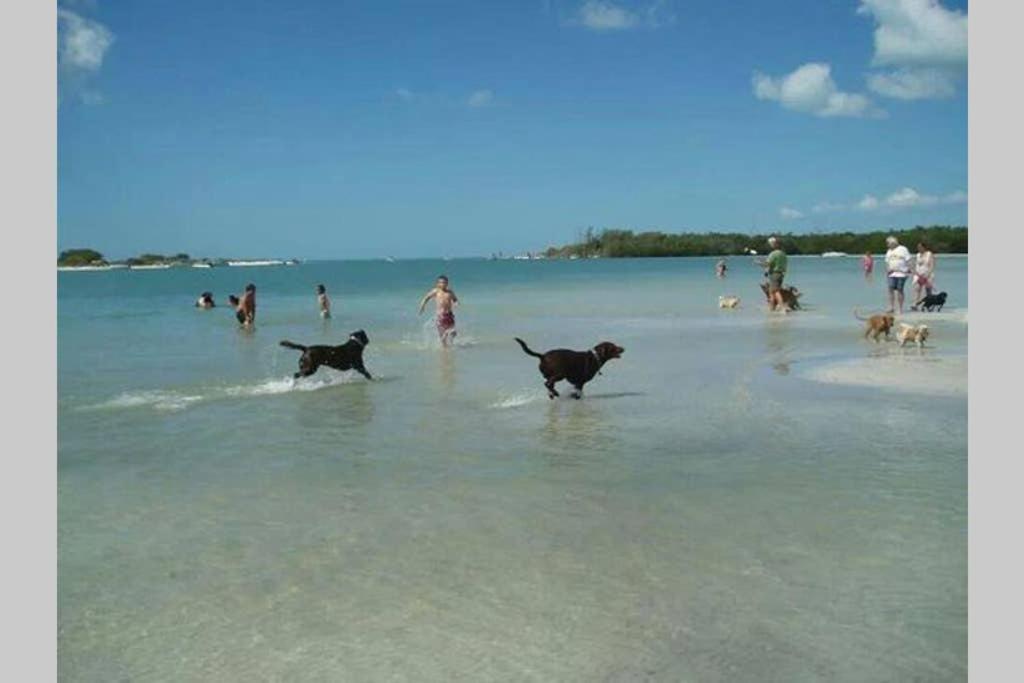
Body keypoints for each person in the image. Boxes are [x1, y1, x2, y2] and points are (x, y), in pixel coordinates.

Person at [418, 274, 459, 346]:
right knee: (442, 335)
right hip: (440, 316)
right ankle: (445, 348)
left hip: (449, 315)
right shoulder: (436, 291)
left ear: (447, 283)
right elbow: (426, 298)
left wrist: (456, 303)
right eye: (441, 282)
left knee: (453, 332)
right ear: (437, 284)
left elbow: (455, 299)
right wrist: (422, 307)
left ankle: (451, 344)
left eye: (444, 282)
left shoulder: (450, 292)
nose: (443, 284)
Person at [884, 236, 912, 314]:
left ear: (893, 243)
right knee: (890, 289)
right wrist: (887, 271)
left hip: (901, 273)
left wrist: (910, 269)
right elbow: (887, 262)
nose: (887, 245)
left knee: (900, 290)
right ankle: (891, 307)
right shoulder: (889, 251)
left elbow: (908, 260)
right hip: (891, 274)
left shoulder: (903, 249)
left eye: (888, 243)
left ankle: (900, 308)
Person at [761, 236, 789, 312]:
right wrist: (767, 271)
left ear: (775, 245)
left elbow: (767, 264)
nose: (771, 245)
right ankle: (771, 309)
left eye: (772, 243)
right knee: (771, 292)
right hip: (781, 274)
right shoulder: (783, 254)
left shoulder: (773, 254)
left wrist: (758, 263)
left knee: (775, 291)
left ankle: (782, 307)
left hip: (774, 275)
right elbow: (783, 265)